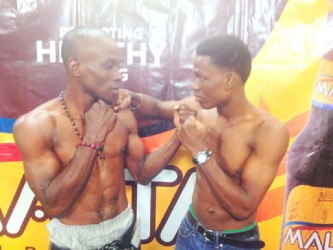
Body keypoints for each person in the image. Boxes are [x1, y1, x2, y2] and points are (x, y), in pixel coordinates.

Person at [13, 27, 181, 250]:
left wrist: (180, 136)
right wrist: (93, 137)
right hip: (74, 243)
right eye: (109, 65)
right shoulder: (36, 125)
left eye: (119, 65)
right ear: (76, 67)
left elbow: (141, 173)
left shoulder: (122, 114)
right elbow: (54, 206)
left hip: (125, 233)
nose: (119, 74)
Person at [125, 35, 290, 249]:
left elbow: (243, 208)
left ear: (229, 80)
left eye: (201, 77)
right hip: (189, 232)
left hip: (233, 243)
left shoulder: (268, 131)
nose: (194, 86)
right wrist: (130, 96)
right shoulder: (200, 108)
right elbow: (157, 107)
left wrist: (199, 149)